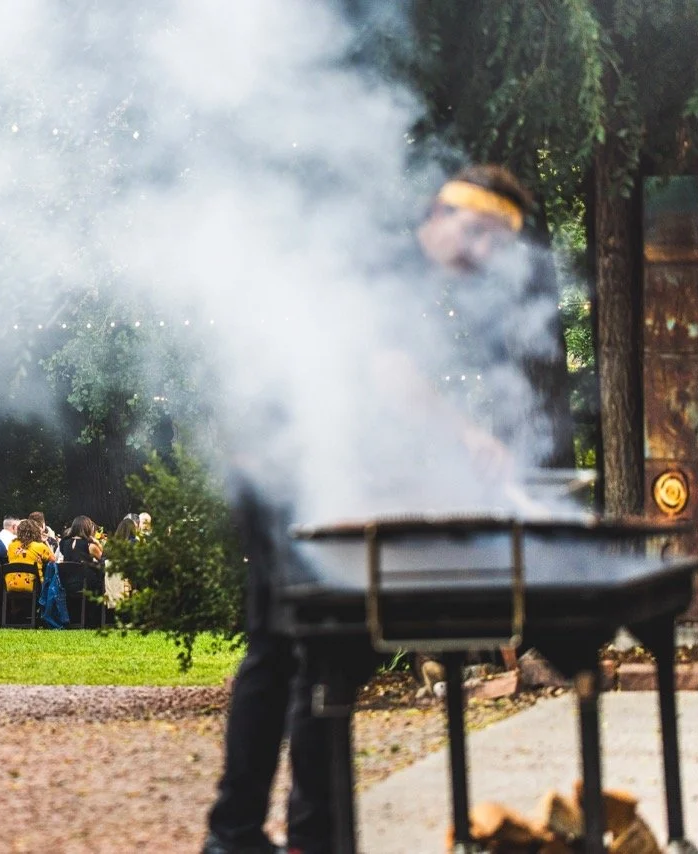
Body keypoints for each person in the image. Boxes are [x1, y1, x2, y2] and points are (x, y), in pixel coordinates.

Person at [203, 165, 545, 854]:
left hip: (287, 460)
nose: (480, 254)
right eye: (476, 233)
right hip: (281, 464)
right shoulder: (390, 264)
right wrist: (467, 435)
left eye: (494, 245)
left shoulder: (407, 272)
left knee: (284, 651)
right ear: (442, 215)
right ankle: (293, 837)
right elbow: (390, 381)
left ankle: (254, 834)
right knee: (320, 647)